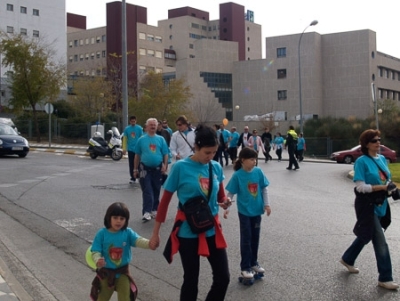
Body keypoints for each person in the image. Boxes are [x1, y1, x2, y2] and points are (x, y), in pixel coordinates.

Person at [150, 124, 231, 301]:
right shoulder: (180, 167)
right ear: (196, 148)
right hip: (188, 232)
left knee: (223, 278)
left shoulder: (215, 167)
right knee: (191, 280)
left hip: (211, 228)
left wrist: (225, 203)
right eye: (207, 153)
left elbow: (221, 197)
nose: (210, 157)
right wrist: (155, 233)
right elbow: (164, 203)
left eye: (214, 152)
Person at [340, 129, 399, 290]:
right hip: (367, 205)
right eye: (374, 140)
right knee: (380, 241)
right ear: (366, 144)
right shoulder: (361, 162)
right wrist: (382, 187)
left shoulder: (382, 159)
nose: (378, 142)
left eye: (379, 139)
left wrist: (391, 187)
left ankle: (348, 258)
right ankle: (385, 278)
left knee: (366, 234)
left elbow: (387, 178)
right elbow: (360, 187)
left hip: (381, 204)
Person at [89, 202, 155, 301]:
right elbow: (95, 251)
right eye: (115, 218)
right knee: (102, 298)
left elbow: (138, 240)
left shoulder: (127, 233)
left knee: (125, 298)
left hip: (122, 272)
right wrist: (98, 260)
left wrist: (150, 244)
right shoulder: (102, 234)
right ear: (109, 218)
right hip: (106, 274)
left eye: (122, 218)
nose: (118, 221)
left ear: (126, 220)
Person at [224, 148, 271, 282]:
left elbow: (264, 189)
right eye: (252, 159)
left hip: (257, 211)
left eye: (255, 159)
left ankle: (253, 262)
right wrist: (227, 206)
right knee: (246, 239)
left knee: (255, 237)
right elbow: (230, 193)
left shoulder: (258, 172)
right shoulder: (238, 175)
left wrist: (267, 204)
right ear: (243, 160)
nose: (254, 162)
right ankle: (245, 266)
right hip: (244, 212)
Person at [133, 118, 169, 221]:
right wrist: (135, 169)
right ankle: (146, 212)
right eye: (151, 125)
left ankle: (154, 209)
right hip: (145, 168)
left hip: (157, 168)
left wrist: (165, 165)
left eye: (154, 125)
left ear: (157, 126)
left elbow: (165, 153)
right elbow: (137, 155)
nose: (153, 126)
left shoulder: (161, 139)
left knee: (156, 189)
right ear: (147, 127)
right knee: (147, 190)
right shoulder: (141, 139)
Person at [122, 116, 143, 184]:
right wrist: (124, 148)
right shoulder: (127, 129)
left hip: (138, 149)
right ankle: (133, 177)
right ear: (130, 121)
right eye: (132, 121)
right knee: (131, 163)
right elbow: (125, 139)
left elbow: (142, 138)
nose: (133, 122)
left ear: (136, 121)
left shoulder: (139, 128)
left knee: (139, 164)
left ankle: (140, 176)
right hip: (130, 149)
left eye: (134, 121)